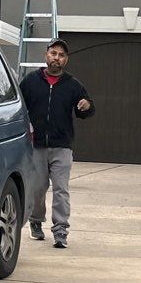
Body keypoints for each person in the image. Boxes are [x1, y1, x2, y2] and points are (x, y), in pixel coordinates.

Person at [18, 38, 93, 248]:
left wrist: (86, 105)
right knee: (38, 188)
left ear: (66, 59)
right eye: (53, 53)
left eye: (61, 55)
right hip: (36, 146)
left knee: (61, 189)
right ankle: (35, 220)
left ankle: (60, 230)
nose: (56, 58)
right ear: (46, 55)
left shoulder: (73, 85)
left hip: (62, 147)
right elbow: (19, 108)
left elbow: (86, 109)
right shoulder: (30, 82)